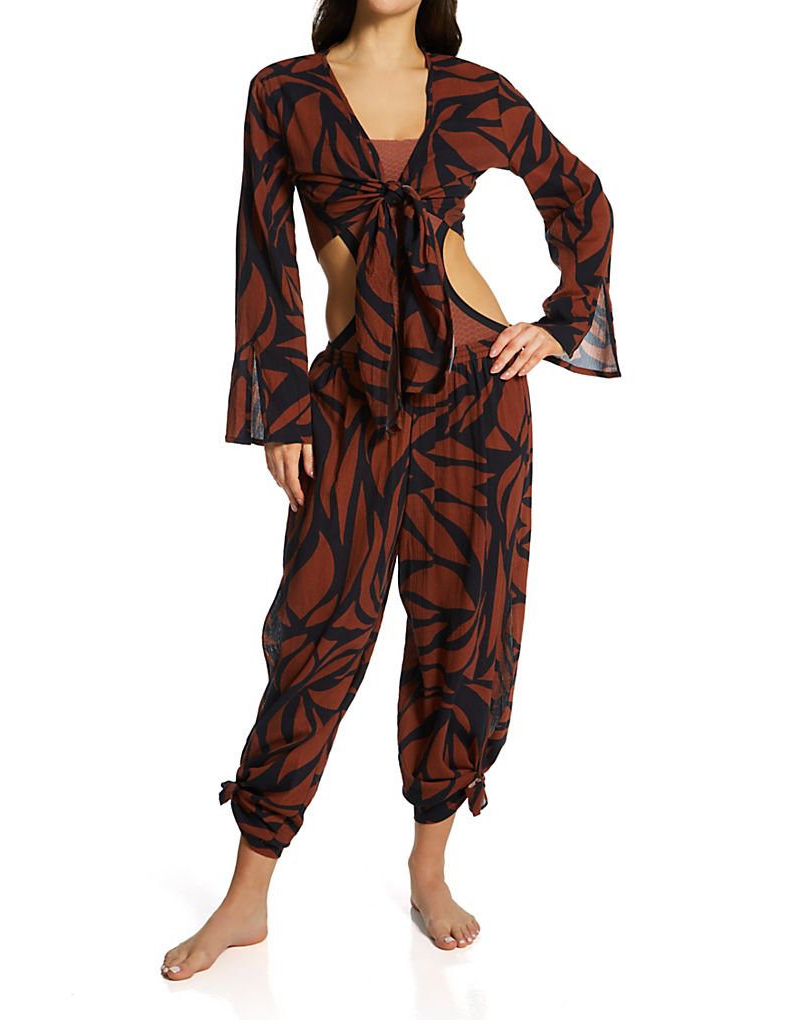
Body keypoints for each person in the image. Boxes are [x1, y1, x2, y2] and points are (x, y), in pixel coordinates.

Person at [162, 0, 619, 980]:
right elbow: (264, 255)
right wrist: (280, 409)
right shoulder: (284, 92)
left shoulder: (473, 92)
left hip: (478, 394)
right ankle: (246, 897)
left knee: (464, 625)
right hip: (352, 396)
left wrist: (558, 323)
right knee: (317, 629)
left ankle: (429, 868)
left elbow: (578, 195)